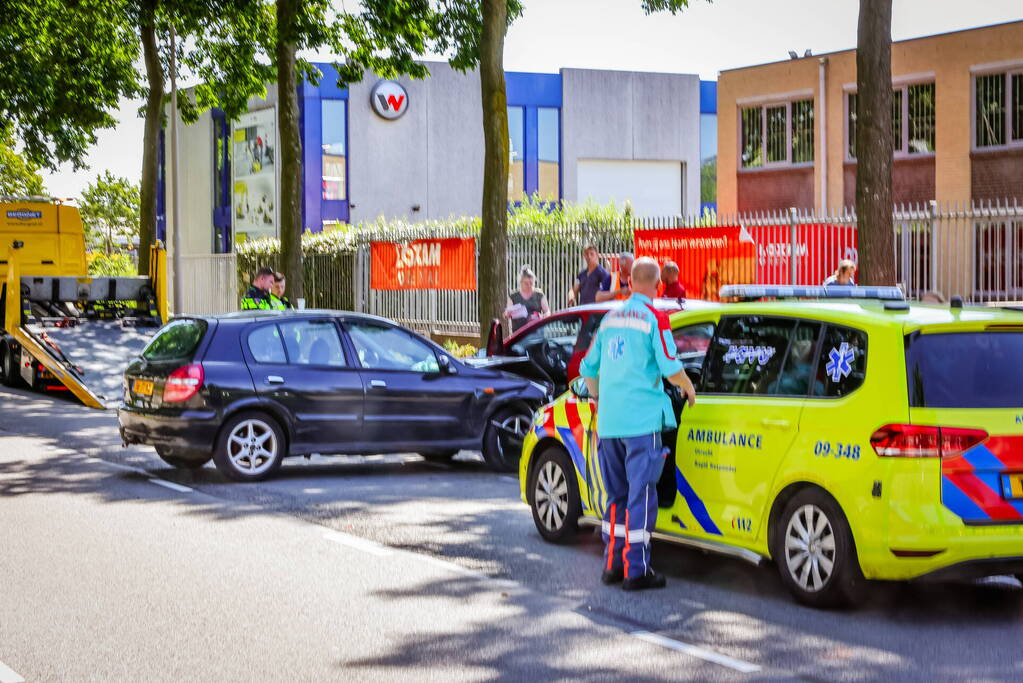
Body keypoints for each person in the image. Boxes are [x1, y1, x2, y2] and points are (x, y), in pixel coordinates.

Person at [580, 257, 697, 591]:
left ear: (629, 283)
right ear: (658, 286)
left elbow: (588, 369)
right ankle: (637, 570)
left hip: (609, 425)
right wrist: (689, 388)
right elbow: (671, 366)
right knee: (641, 496)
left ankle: (612, 565)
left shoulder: (610, 319)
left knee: (616, 496)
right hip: (642, 424)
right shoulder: (654, 319)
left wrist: (599, 399)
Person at [505, 265, 550, 333]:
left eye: (531, 283)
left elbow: (547, 312)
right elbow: (507, 313)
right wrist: (507, 314)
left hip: (537, 332)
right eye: (526, 283)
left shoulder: (539, 294)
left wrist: (541, 317)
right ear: (520, 282)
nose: (529, 285)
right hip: (518, 333)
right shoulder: (513, 296)